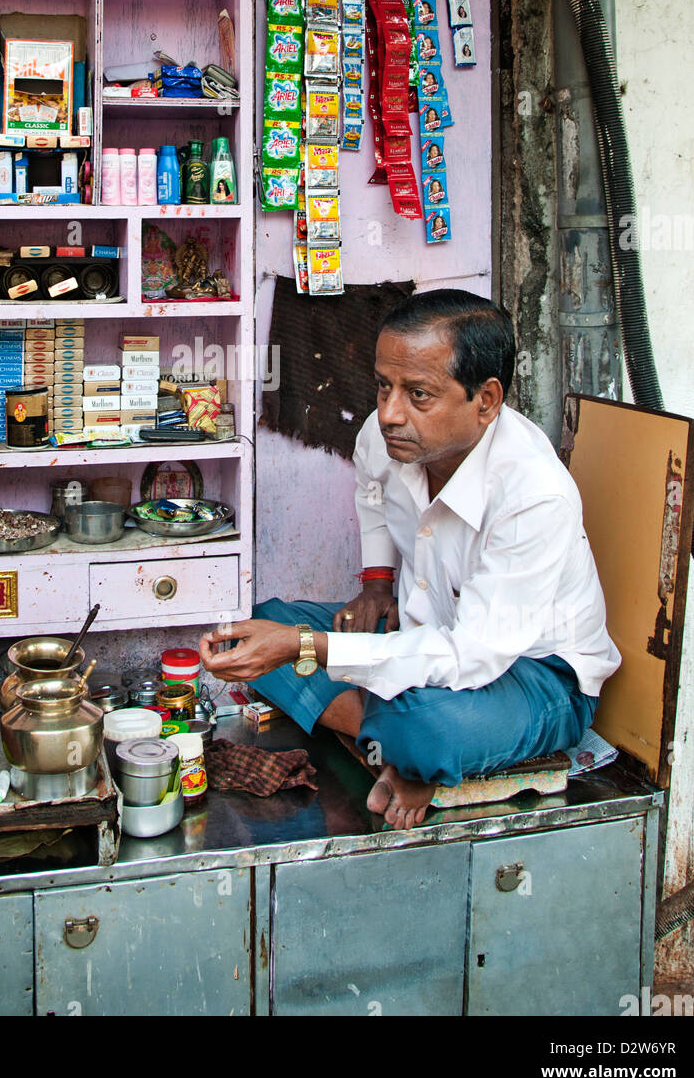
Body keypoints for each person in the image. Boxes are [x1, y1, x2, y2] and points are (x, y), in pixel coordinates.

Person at [200, 289, 620, 831]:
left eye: (418, 394)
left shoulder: (534, 495)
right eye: (383, 386)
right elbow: (370, 490)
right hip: (429, 633)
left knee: (424, 729)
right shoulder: (386, 436)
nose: (389, 413)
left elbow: (472, 656)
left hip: (534, 675)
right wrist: (377, 583)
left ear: (486, 401)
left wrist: (309, 649)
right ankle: (399, 748)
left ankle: (404, 743)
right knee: (262, 624)